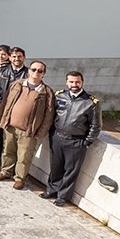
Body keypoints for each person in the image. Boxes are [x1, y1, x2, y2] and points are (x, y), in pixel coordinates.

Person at [44, 71, 101, 207]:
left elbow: (96, 125)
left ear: (82, 82)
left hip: (76, 141)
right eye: (71, 82)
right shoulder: (59, 96)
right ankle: (51, 190)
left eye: (77, 82)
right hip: (57, 138)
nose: (74, 84)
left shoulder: (91, 102)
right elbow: (52, 116)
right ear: (66, 82)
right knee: (55, 166)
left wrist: (87, 142)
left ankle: (63, 196)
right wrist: (52, 133)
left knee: (70, 171)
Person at [0, 61, 53, 190]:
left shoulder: (47, 92)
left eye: (40, 71)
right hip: (11, 126)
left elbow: (48, 115)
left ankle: (20, 178)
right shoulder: (17, 84)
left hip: (29, 131)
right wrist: (1, 120)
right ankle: (5, 172)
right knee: (7, 150)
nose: (36, 72)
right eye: (34, 69)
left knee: (24, 155)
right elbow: (5, 102)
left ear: (44, 74)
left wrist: (41, 132)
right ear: (29, 70)